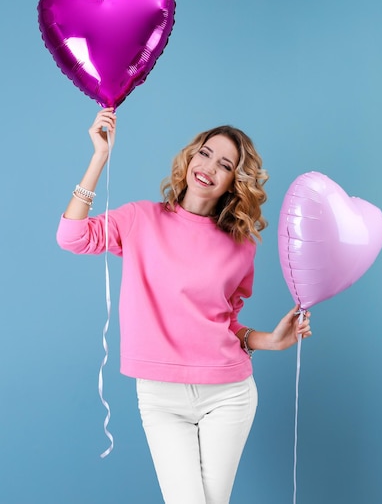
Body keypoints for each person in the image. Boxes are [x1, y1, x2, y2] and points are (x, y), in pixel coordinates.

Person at [56, 108, 312, 504]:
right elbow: (71, 236)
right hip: (160, 398)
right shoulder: (140, 218)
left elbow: (226, 325)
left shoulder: (241, 245)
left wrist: (272, 341)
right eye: (205, 153)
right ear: (191, 156)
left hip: (229, 394)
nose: (209, 166)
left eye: (224, 164)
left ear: (233, 183)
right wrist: (99, 158)